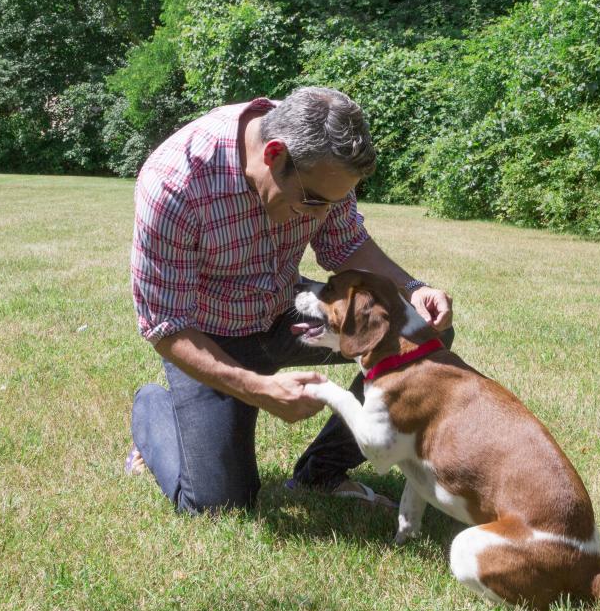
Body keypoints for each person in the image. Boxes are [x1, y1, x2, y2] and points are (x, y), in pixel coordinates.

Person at [127, 86, 453, 514]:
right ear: (273, 156)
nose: (321, 216)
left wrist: (413, 288)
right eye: (313, 201)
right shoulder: (176, 183)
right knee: (217, 504)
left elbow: (345, 243)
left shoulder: (320, 155)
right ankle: (156, 408)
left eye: (332, 203)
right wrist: (258, 389)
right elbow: (164, 325)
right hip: (210, 334)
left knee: (423, 336)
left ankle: (321, 471)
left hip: (287, 311)